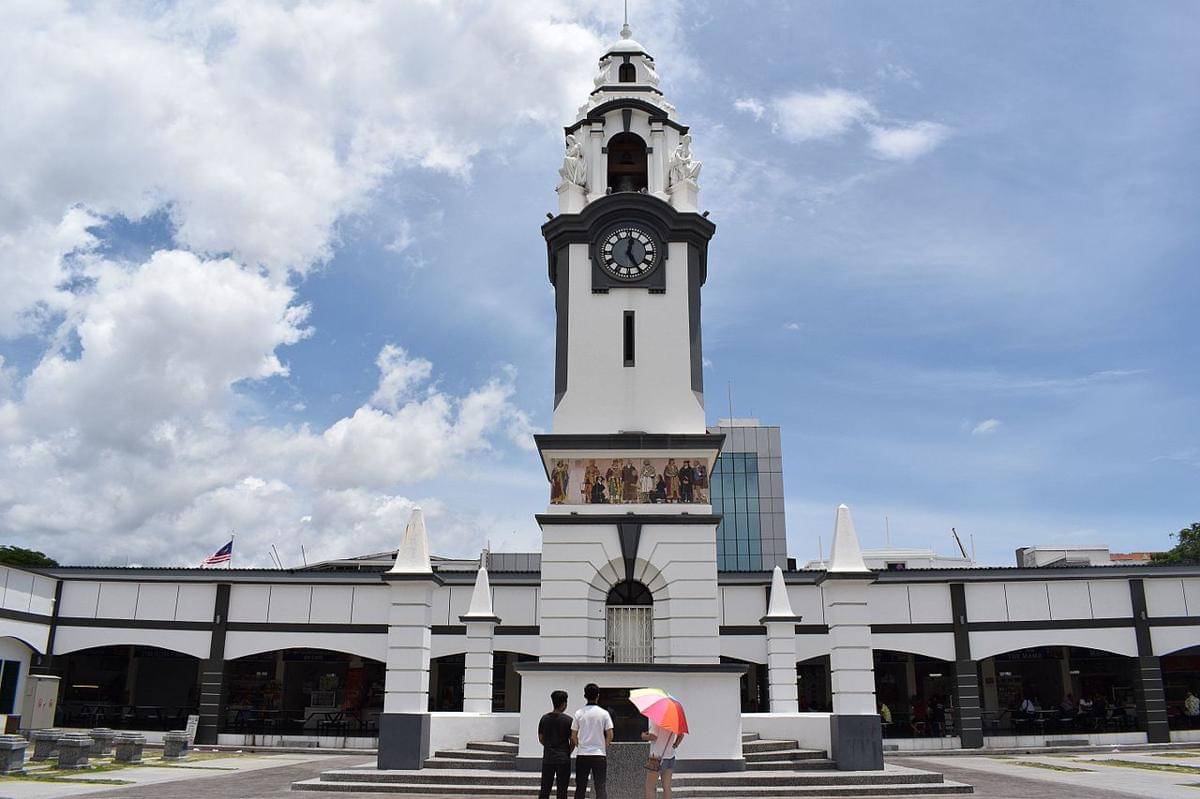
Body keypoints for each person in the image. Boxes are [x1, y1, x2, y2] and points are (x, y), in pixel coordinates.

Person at [572, 683, 613, 799]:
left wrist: (579, 746)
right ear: (598, 696)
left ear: (585, 696)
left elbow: (573, 735)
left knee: (580, 787)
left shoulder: (578, 713)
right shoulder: (604, 714)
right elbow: (610, 734)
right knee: (600, 786)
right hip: (599, 755)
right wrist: (603, 746)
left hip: (583, 755)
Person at [539, 690, 574, 799]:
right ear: (564, 704)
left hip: (548, 758)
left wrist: (548, 746)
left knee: (545, 789)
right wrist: (568, 751)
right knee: (562, 790)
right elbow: (573, 740)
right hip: (563, 758)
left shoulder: (544, 719)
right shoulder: (568, 720)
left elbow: (541, 738)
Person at [642, 718, 684, 799]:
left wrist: (644, 736)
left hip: (656, 758)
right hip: (670, 757)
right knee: (667, 787)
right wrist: (675, 744)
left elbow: (653, 736)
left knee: (650, 786)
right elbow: (681, 735)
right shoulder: (674, 722)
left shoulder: (657, 721)